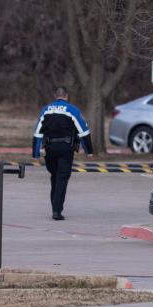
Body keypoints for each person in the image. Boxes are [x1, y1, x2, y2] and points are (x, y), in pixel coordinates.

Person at [31, 86, 94, 220]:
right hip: (66, 148)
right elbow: (84, 131)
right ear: (66, 96)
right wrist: (89, 151)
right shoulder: (73, 110)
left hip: (50, 148)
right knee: (62, 178)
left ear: (55, 96)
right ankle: (57, 211)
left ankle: (55, 206)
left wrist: (35, 153)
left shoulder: (46, 110)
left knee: (54, 176)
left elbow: (37, 132)